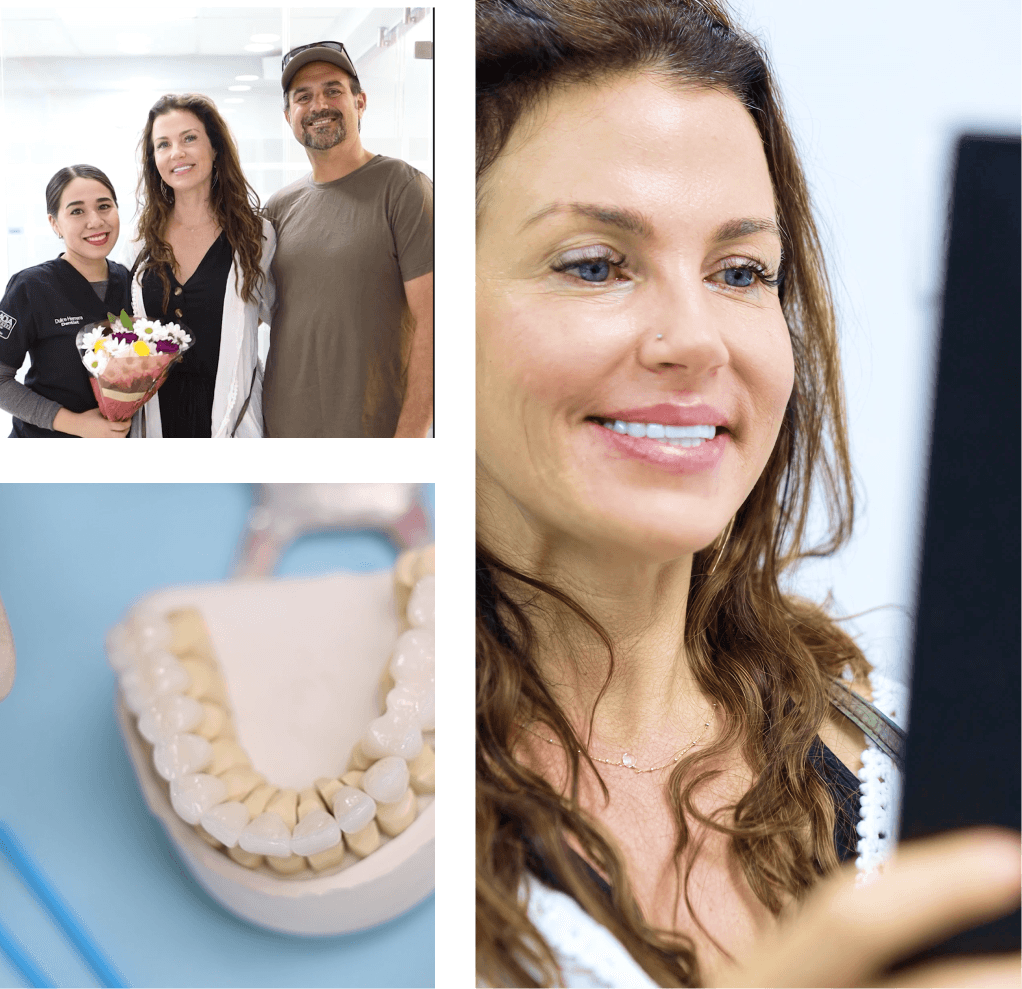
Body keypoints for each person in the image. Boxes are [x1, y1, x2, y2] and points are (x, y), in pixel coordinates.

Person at [473, 3, 1020, 988]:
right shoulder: (344, 803)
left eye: (739, 271)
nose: (696, 338)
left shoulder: (909, 768)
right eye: (594, 264)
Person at [262, 41, 433, 438]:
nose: (319, 105)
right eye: (303, 97)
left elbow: (438, 321)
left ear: (360, 102)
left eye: (333, 90)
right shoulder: (278, 208)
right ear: (288, 116)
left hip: (374, 432)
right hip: (282, 430)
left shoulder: (403, 188)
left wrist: (411, 437)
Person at [130, 93, 273, 438]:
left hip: (232, 419)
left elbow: (275, 315)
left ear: (215, 148)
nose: (176, 153)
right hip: (159, 418)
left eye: (189, 138)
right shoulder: (141, 240)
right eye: (163, 144)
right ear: (153, 159)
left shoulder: (256, 235)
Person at [0, 165, 131, 438]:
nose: (95, 221)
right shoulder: (30, 287)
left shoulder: (132, 283)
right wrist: (75, 424)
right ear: (54, 223)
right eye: (77, 211)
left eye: (104, 206)